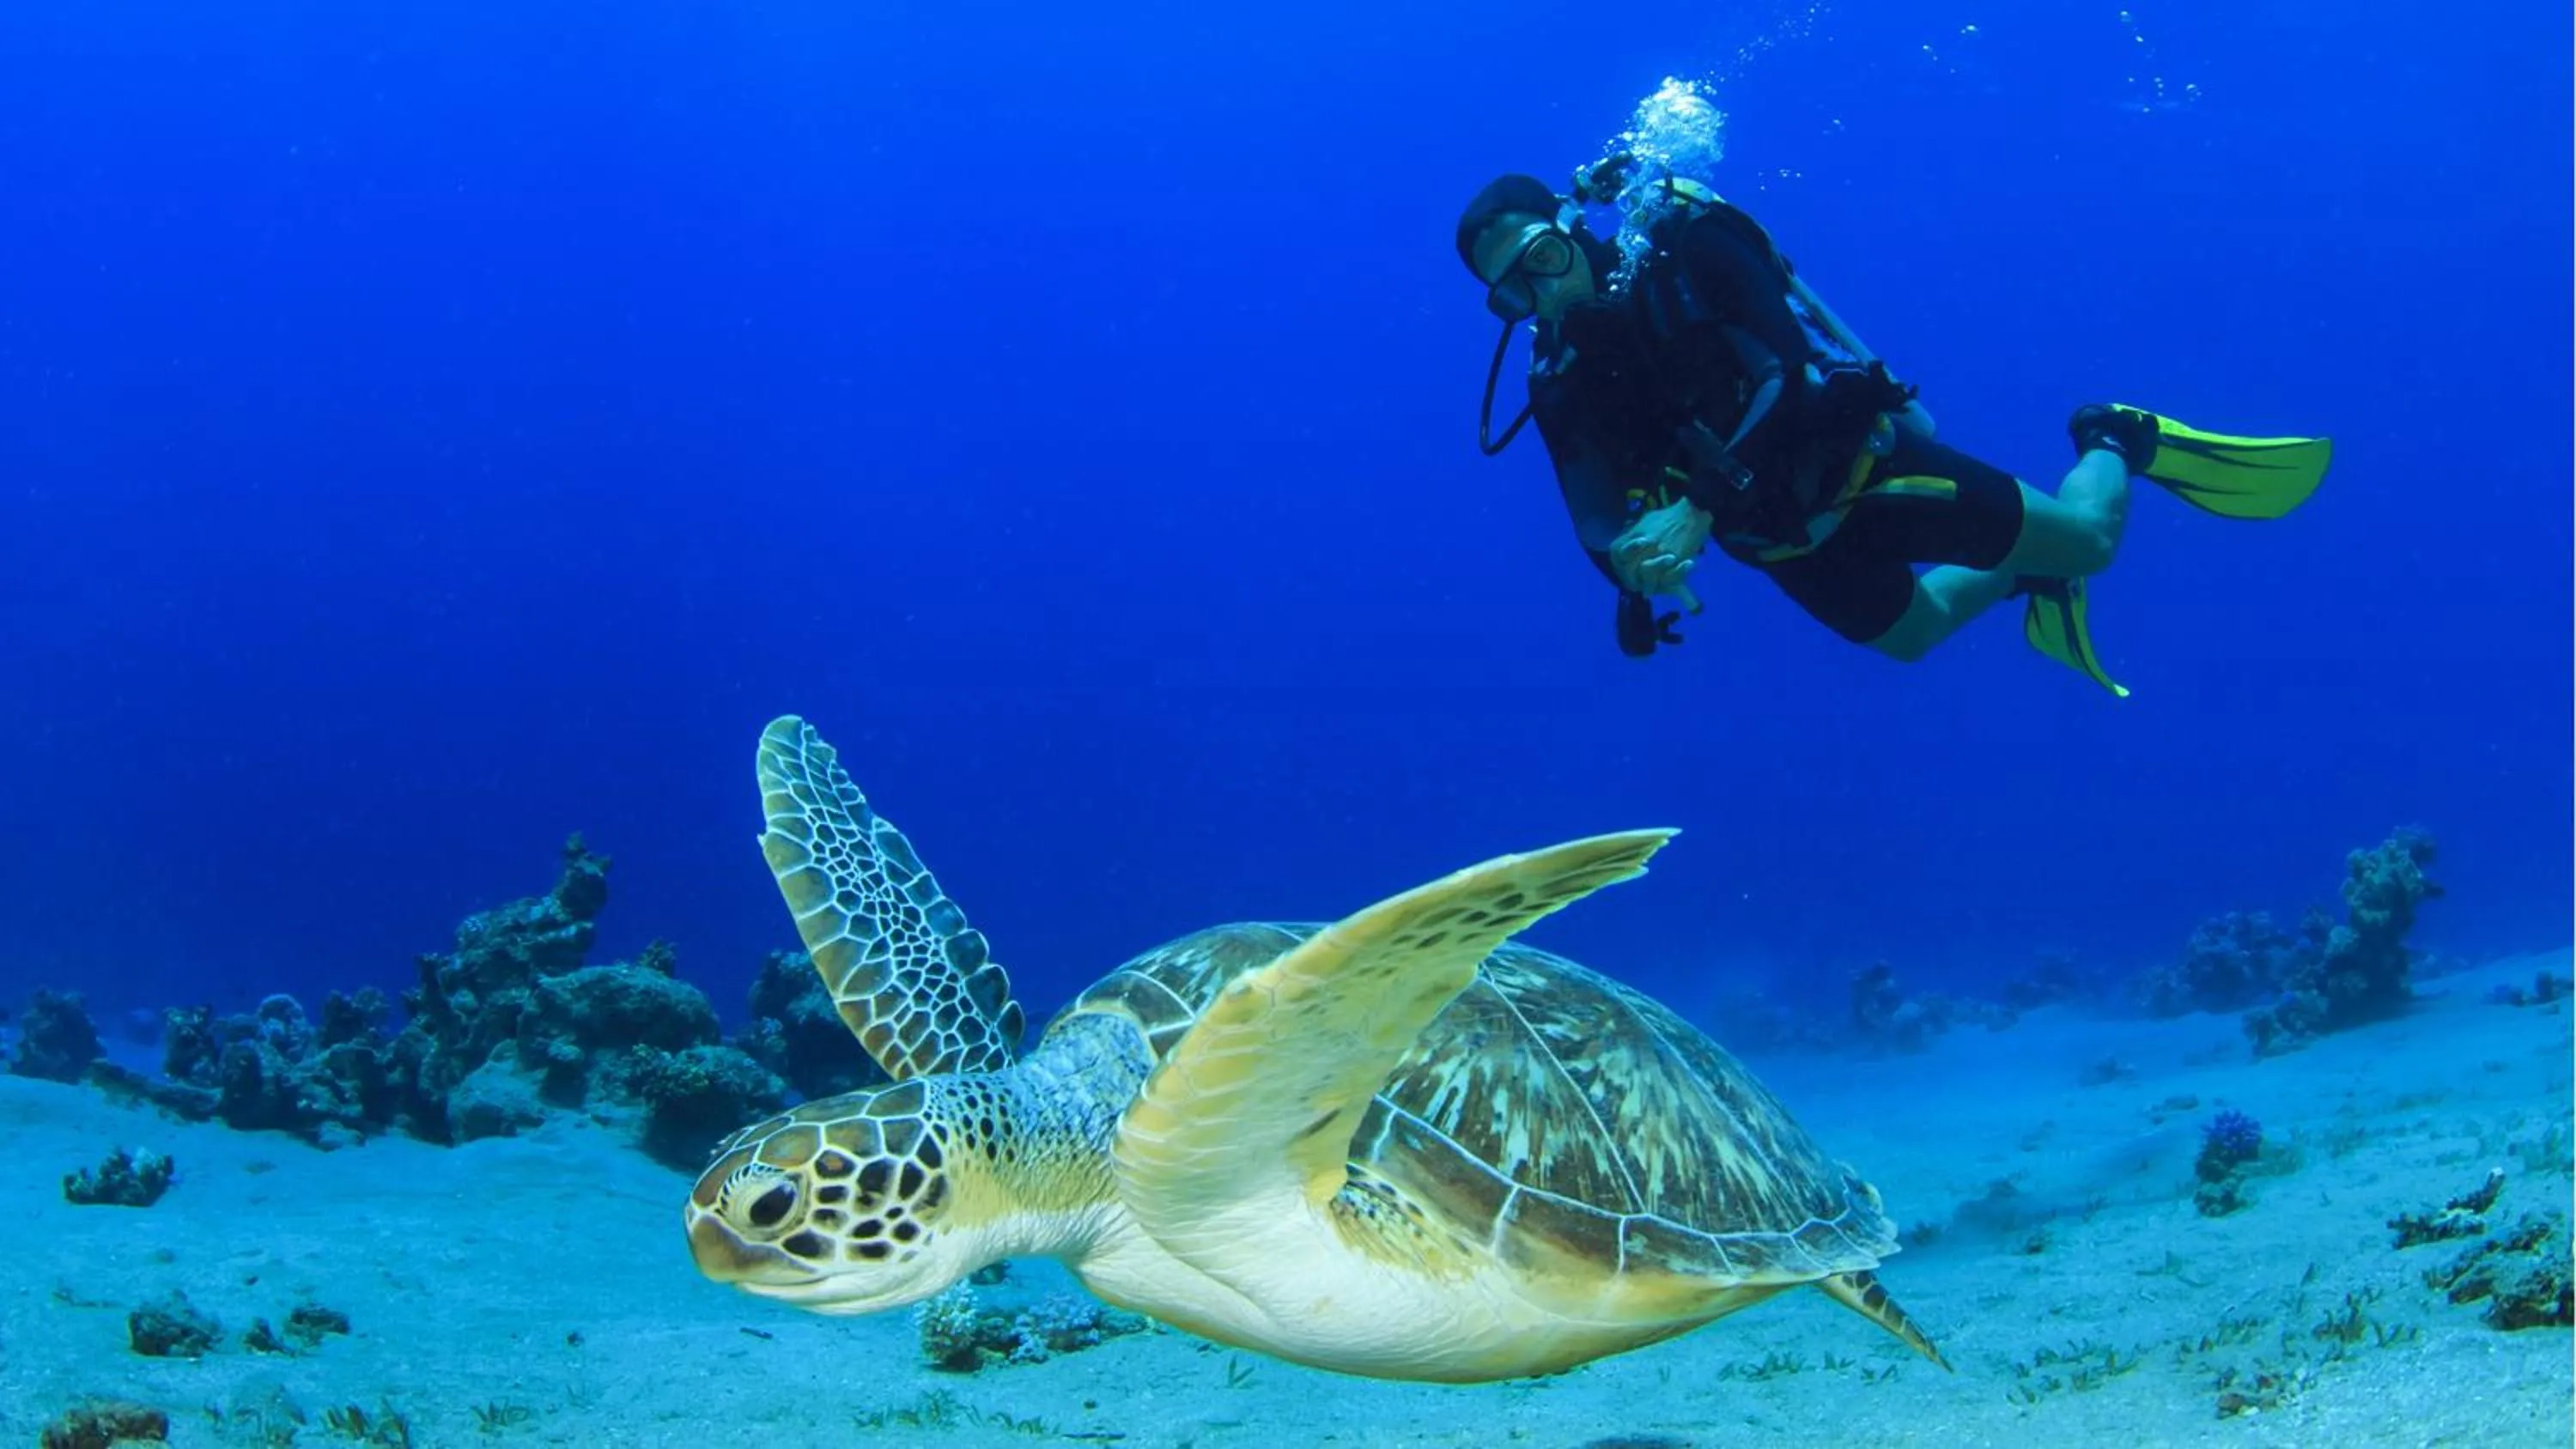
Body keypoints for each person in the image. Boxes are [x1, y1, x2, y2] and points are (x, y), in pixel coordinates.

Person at [1454, 159, 2333, 694]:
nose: (1545, 292)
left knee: (2095, 542)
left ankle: (2114, 439)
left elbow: (1784, 372)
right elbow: (1592, 508)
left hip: (1865, 469)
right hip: (1783, 541)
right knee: (1915, 635)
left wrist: (1696, 512)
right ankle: (2031, 576)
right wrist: (1628, 565)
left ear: (1572, 228)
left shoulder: (1687, 248)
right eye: (1513, 290)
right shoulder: (1560, 378)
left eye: (1543, 257)